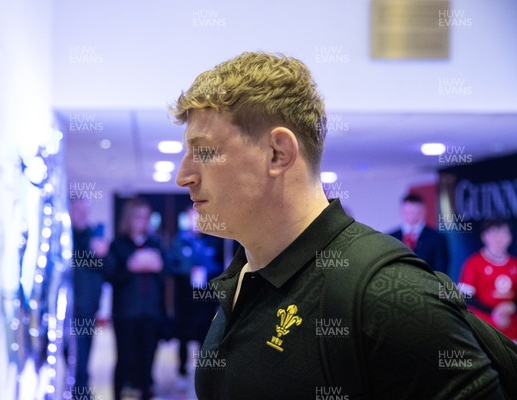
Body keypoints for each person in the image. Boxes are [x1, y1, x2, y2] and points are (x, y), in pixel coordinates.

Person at [171, 52, 505, 399]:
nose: (183, 176)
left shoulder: (386, 294)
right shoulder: (244, 272)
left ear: (277, 153)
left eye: (205, 151)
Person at [105, 198, 165, 400]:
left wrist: (155, 265)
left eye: (146, 217)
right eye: (138, 216)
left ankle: (145, 393)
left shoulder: (154, 243)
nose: (143, 221)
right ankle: (118, 394)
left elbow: (165, 270)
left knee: (147, 359)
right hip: (126, 313)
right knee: (124, 358)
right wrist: (130, 267)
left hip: (150, 312)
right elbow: (111, 275)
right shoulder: (118, 245)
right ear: (129, 218)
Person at [167, 206, 223, 378]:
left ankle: (203, 373)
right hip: (185, 298)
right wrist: (189, 269)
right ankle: (182, 371)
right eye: (192, 218)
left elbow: (220, 267)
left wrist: (206, 268)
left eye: (199, 218)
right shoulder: (179, 242)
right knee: (183, 336)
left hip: (205, 299)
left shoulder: (212, 241)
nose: (196, 222)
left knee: (204, 335)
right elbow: (171, 266)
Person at [69, 199, 109, 394]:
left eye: (85, 210)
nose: (81, 214)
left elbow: (106, 268)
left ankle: (82, 388)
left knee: (85, 349)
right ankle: (78, 389)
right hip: (69, 306)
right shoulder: (66, 238)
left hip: (89, 305)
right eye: (77, 210)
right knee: (72, 351)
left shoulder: (96, 236)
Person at [459, 220, 517, 340]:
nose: (499, 238)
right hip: (483, 332)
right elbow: (465, 297)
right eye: (494, 233)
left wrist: (512, 306)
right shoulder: (473, 263)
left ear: (510, 237)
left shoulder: (515, 264)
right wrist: (494, 312)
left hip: (513, 332)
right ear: (484, 236)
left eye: (503, 233)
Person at [389, 193, 449, 274]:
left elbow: (441, 270)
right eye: (407, 212)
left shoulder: (436, 238)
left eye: (415, 212)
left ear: (423, 211)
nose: (411, 216)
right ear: (401, 211)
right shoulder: (391, 237)